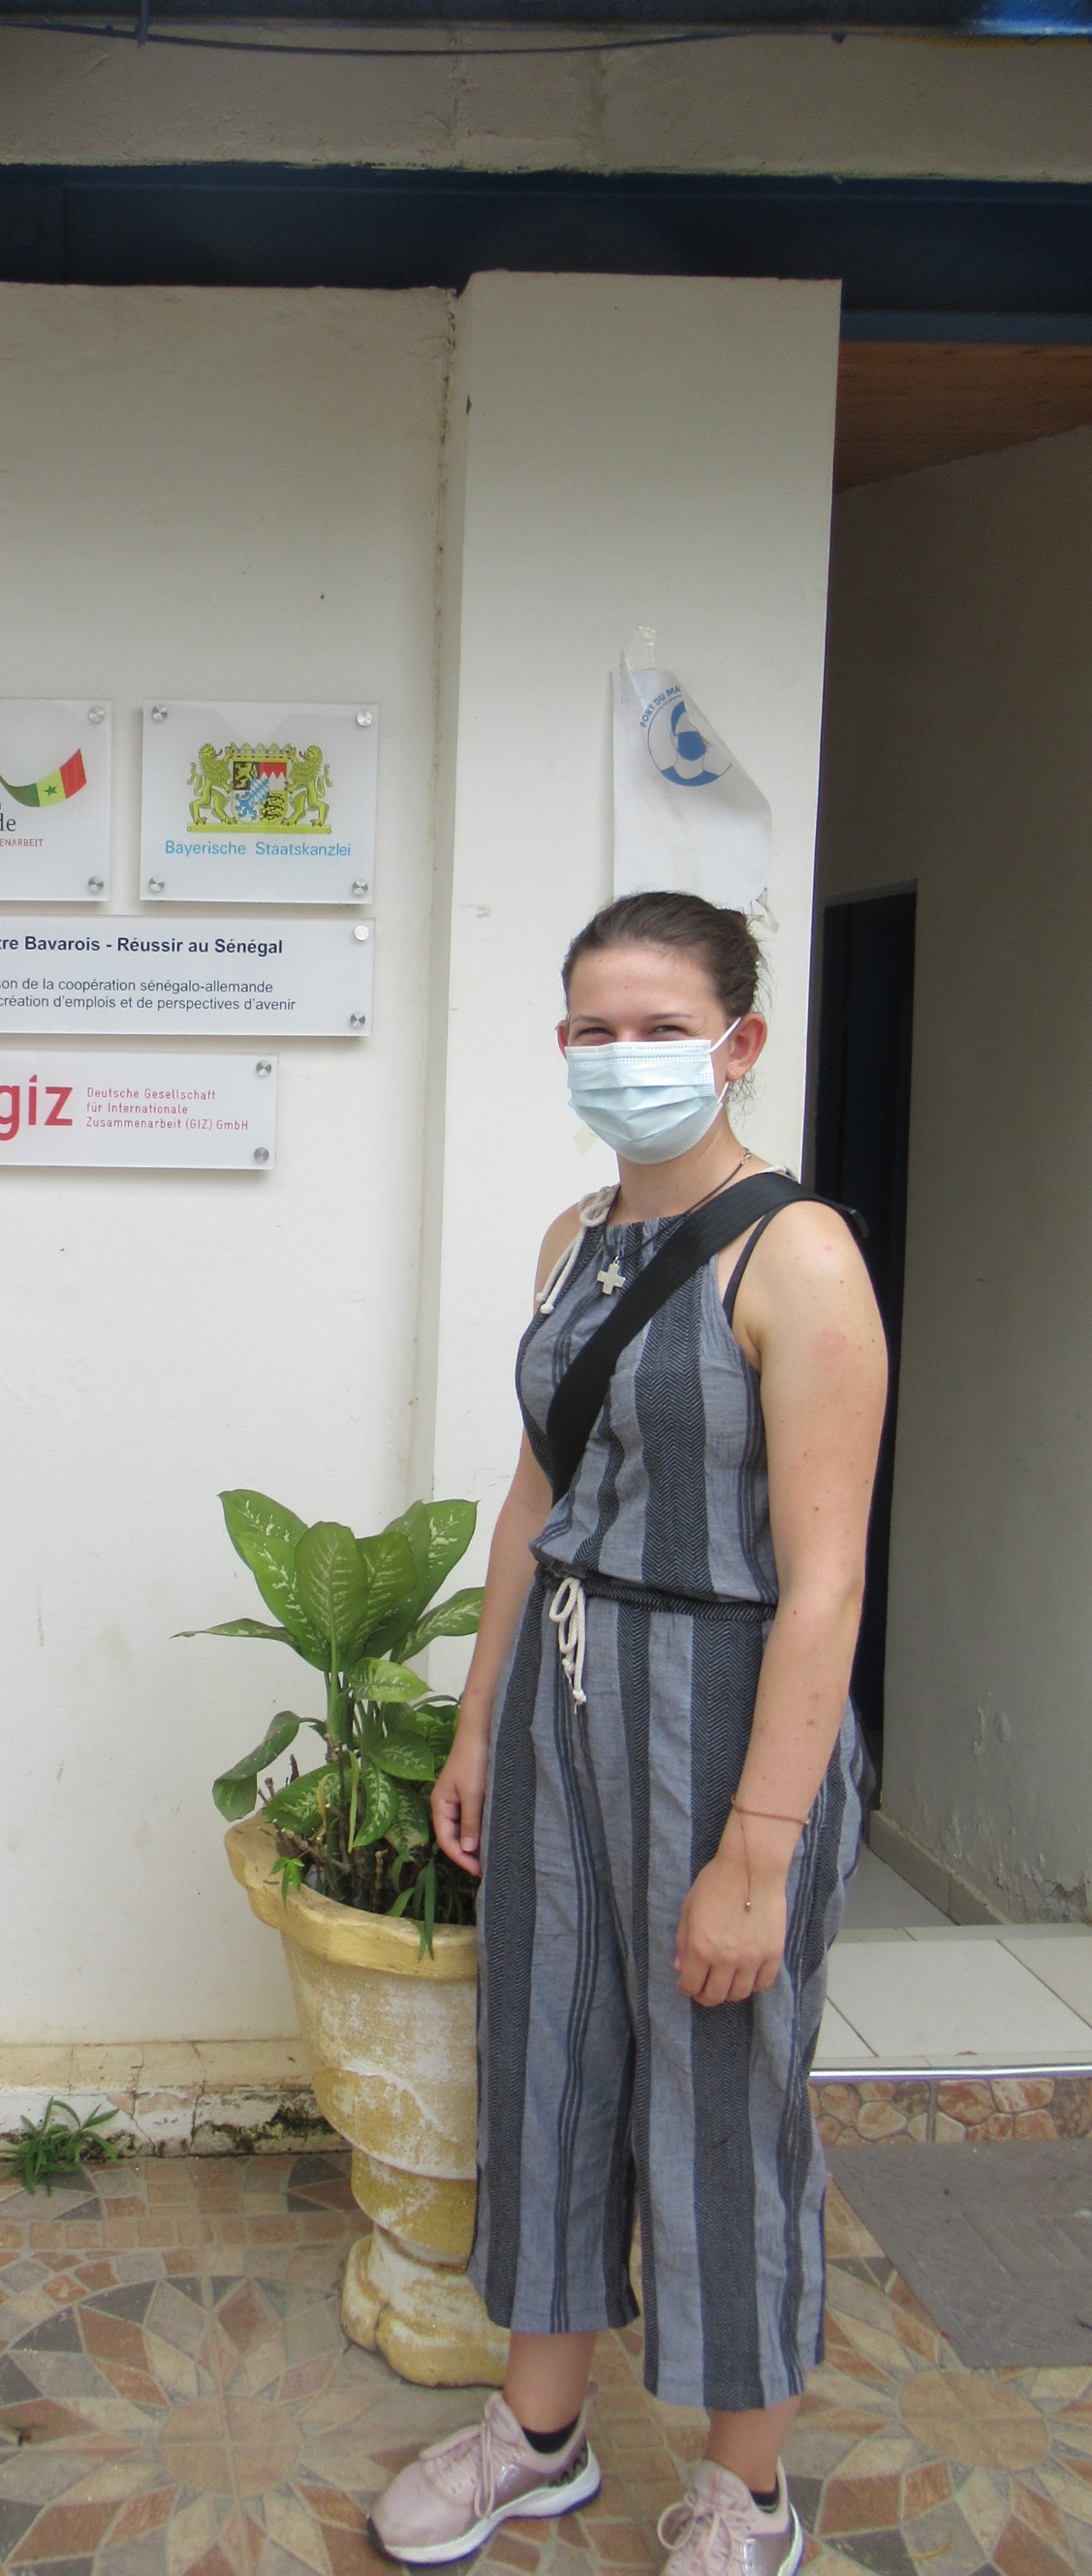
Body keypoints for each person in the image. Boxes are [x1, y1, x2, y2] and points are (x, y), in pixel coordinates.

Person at [371, 893, 885, 2576]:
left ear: (738, 1044)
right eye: (592, 1026)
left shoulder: (794, 1253)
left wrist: (758, 1854)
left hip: (728, 1721)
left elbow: (822, 1588)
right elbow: (542, 1487)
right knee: (548, 2058)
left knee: (722, 2094)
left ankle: (745, 2494)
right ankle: (539, 2435)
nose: (621, 1056)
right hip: (562, 1702)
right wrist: (475, 1721)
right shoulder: (569, 1238)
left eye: (659, 1027)